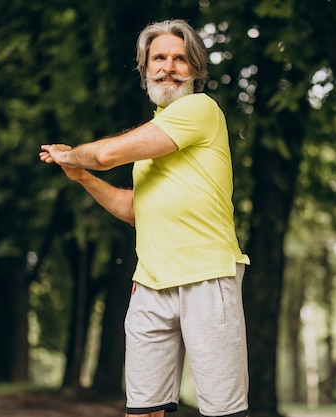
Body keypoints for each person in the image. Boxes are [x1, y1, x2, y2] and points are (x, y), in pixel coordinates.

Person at [39, 19, 250, 417]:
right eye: (158, 58)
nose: (168, 66)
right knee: (144, 410)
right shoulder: (156, 138)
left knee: (224, 411)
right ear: (145, 69)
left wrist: (71, 156)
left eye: (180, 59)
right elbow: (135, 210)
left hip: (206, 277)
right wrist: (80, 175)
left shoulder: (200, 109)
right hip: (150, 283)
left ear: (195, 69)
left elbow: (105, 156)